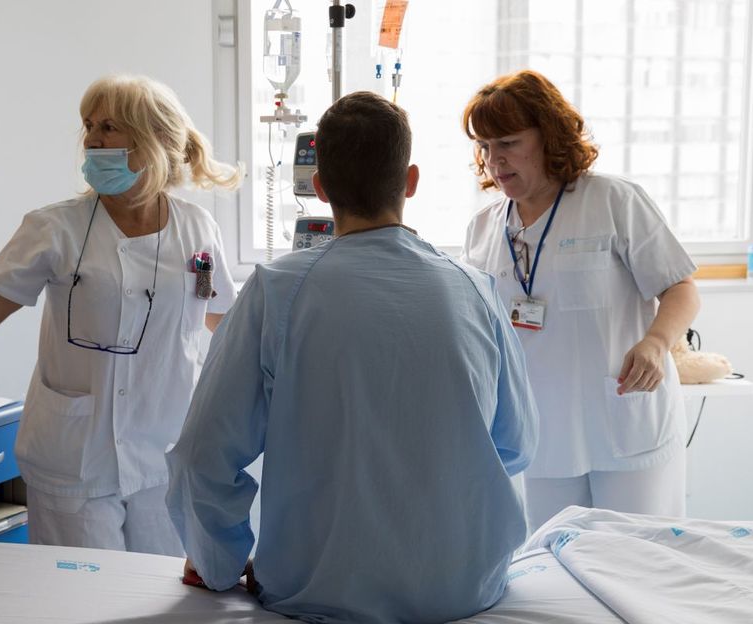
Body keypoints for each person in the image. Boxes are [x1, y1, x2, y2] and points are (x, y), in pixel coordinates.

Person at [165, 91, 539, 623]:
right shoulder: (475, 289)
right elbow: (516, 444)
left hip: (317, 592)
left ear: (319, 188)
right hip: (463, 591)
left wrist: (217, 563)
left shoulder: (277, 291)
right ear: (410, 181)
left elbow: (202, 456)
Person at [0, 74, 240, 555]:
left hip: (164, 452)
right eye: (89, 126)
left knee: (163, 589)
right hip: (74, 457)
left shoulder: (197, 229)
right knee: (82, 591)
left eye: (109, 127)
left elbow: (225, 321)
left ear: (154, 138)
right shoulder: (55, 227)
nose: (92, 139)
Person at [461, 69, 701, 531]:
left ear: (549, 135)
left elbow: (681, 288)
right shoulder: (484, 228)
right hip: (541, 431)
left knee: (636, 556)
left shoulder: (613, 200)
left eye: (508, 142)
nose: (494, 159)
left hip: (624, 421)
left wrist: (656, 343)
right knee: (552, 560)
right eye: (485, 146)